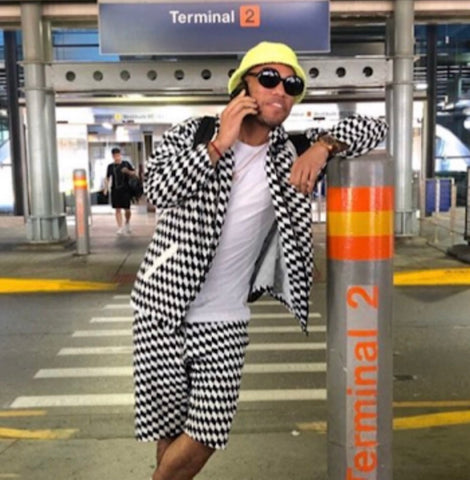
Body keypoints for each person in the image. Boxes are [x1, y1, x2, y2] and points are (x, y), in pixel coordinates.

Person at [131, 41, 388, 480]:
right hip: (160, 308)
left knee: (208, 431)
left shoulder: (290, 152)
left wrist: (323, 146)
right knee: (171, 429)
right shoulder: (195, 132)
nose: (280, 91)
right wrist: (217, 146)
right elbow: (157, 188)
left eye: (292, 85)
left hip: (226, 317)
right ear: (243, 87)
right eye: (269, 78)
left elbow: (375, 127)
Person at [104, 147, 135, 235]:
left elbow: (134, 173)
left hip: (126, 189)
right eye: (115, 156)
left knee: (127, 209)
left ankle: (127, 222)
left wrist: (127, 171)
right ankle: (120, 227)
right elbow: (107, 178)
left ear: (120, 155)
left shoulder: (126, 164)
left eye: (118, 155)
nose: (117, 157)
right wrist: (106, 188)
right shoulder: (110, 166)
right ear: (113, 156)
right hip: (115, 190)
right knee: (117, 209)